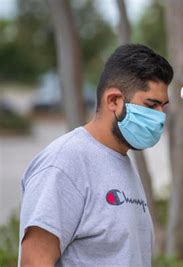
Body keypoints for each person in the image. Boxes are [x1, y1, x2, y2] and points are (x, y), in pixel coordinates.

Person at [18, 44, 173, 266]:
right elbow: (35, 261)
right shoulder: (64, 162)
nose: (160, 117)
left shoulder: (120, 159)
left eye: (163, 106)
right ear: (114, 101)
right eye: (151, 105)